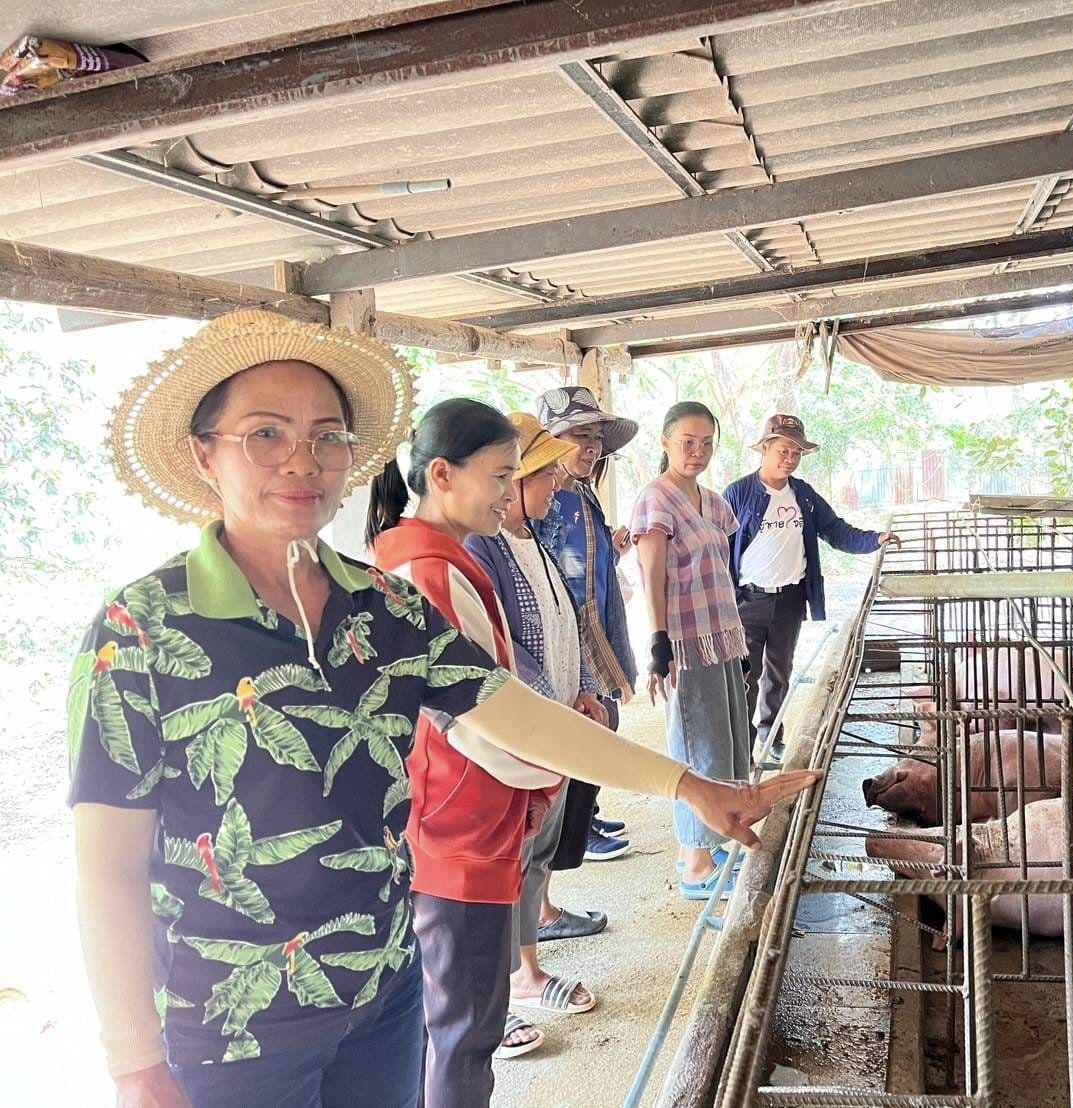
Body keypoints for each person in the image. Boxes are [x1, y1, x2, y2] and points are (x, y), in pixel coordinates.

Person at [67, 310, 819, 1108]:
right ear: (204, 453)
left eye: (327, 437)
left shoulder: (384, 606)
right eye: (264, 434)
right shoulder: (143, 628)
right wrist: (134, 1062)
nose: (303, 461)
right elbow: (107, 860)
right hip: (230, 1024)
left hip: (383, 991)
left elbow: (517, 715)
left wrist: (689, 786)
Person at [364, 398, 558, 1069]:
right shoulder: (430, 572)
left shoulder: (427, 556)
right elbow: (485, 725)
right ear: (441, 474)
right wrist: (553, 768)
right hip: (456, 824)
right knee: (465, 1037)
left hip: (449, 817)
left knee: (443, 1027)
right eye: (500, 476)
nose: (509, 495)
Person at [466, 414, 608, 1047]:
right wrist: (551, 710)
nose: (555, 482)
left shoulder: (537, 541)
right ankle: (507, 984)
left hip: (552, 725)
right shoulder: (482, 550)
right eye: (541, 472)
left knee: (538, 854)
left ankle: (525, 971)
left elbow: (563, 621)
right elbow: (503, 653)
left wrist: (581, 686)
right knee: (510, 860)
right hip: (519, 736)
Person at [631, 401, 751, 901]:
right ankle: (695, 862)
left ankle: (710, 841)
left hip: (719, 633)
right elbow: (651, 574)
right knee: (696, 747)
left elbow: (722, 570)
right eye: (687, 442)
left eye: (706, 443)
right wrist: (658, 642)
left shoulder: (714, 501)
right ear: (665, 443)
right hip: (684, 640)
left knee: (724, 741)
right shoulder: (655, 500)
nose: (697, 452)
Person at [724, 414, 899, 751]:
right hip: (748, 601)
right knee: (743, 676)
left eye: (796, 453)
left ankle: (771, 734)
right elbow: (718, 545)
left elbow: (835, 530)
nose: (790, 459)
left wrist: (874, 539)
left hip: (789, 599)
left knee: (779, 674)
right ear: (765, 448)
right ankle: (742, 748)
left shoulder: (802, 495)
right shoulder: (738, 494)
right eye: (783, 451)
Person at [531, 385, 641, 866]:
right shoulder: (548, 494)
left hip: (594, 620)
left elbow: (581, 557)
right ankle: (574, 833)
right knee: (591, 725)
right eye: (579, 434)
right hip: (568, 626)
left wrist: (612, 552)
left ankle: (587, 813)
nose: (591, 445)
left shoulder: (581, 490)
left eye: (596, 435)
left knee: (603, 719)